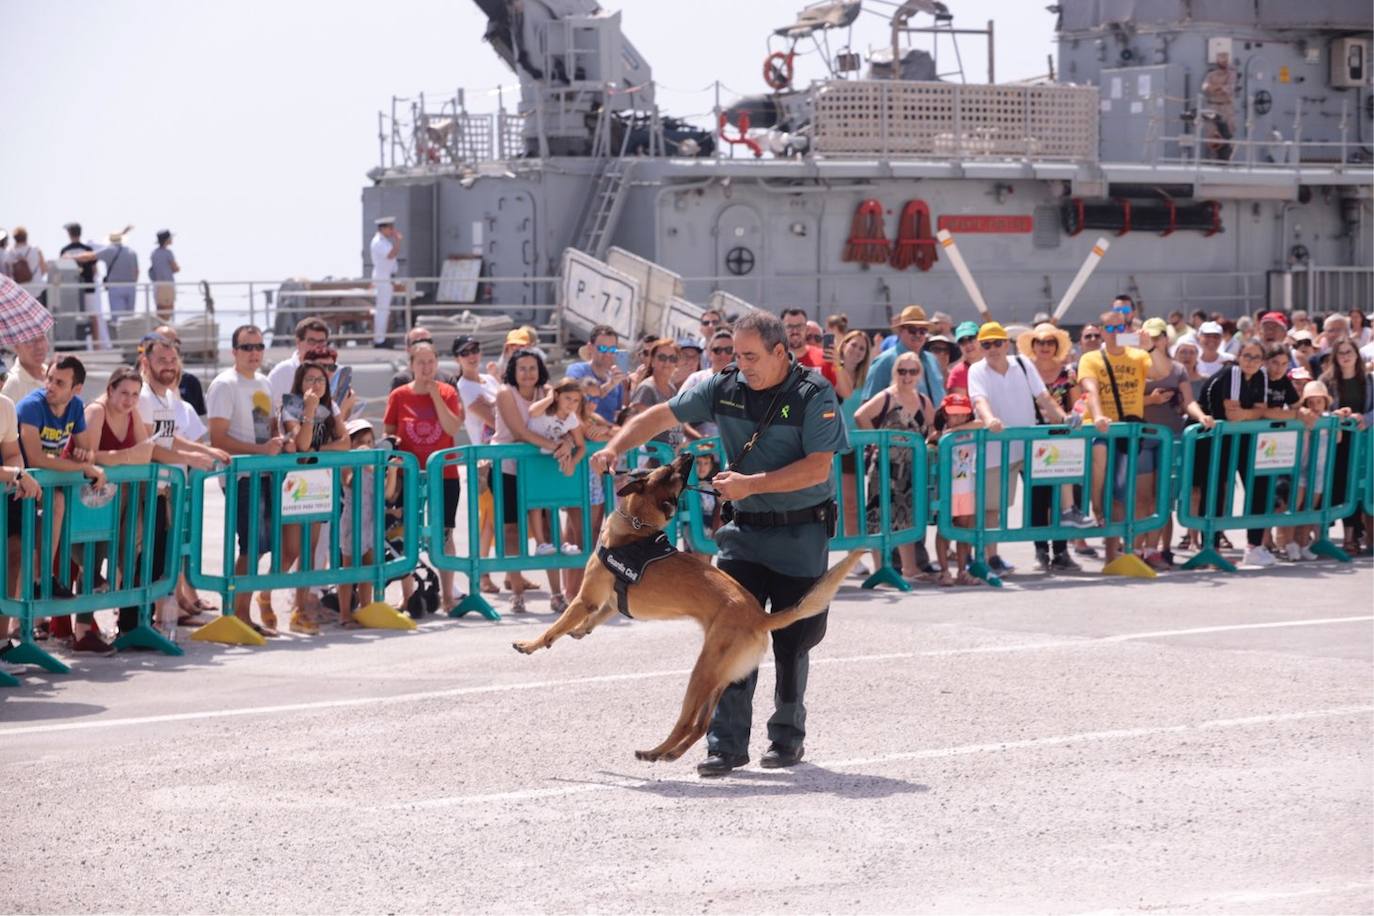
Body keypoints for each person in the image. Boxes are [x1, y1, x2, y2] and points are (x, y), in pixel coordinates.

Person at [591, 310, 847, 778]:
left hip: (800, 532)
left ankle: (787, 737)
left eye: (750, 356)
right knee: (728, 632)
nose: (741, 364)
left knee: (793, 639)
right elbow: (661, 414)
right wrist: (615, 446)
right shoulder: (725, 386)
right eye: (735, 354)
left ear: (779, 352)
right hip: (743, 534)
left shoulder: (813, 394)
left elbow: (817, 469)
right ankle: (725, 744)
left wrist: (752, 484)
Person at [16, 357, 108, 651]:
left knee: (56, 505)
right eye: (50, 379)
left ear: (76, 389)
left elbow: (84, 449)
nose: (50, 387)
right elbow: (35, 458)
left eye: (59, 382)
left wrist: (85, 460)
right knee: (16, 554)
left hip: (44, 487)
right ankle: (17, 629)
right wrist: (83, 467)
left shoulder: (75, 407)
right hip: (16, 485)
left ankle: (43, 581)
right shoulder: (31, 406)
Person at [969, 321, 1073, 576]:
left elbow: (1044, 397)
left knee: (1049, 496)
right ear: (981, 347)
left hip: (1029, 446)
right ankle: (990, 558)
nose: (992, 348)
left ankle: (1059, 551)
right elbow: (979, 400)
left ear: (1007, 343)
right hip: (996, 448)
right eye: (986, 344)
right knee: (991, 508)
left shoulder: (1024, 364)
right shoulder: (976, 370)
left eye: (997, 343)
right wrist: (990, 419)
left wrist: (1063, 418)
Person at [139, 334, 227, 621]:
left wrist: (203, 448)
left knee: (159, 558)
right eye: (161, 360)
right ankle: (133, 624)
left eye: (172, 360)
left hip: (163, 491)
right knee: (141, 559)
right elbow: (149, 447)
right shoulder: (140, 396)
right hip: (142, 491)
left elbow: (169, 438)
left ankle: (150, 621)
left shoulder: (165, 396)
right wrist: (192, 457)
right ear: (145, 361)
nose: (168, 366)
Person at [206, 325, 287, 635]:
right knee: (250, 546)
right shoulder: (224, 385)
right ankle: (238, 614)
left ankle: (243, 613)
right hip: (241, 477)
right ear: (234, 352)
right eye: (247, 347)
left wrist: (279, 440)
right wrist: (261, 450)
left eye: (259, 346)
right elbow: (218, 437)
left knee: (259, 546)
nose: (254, 352)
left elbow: (267, 429)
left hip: (264, 473)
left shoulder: (264, 384)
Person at [1194, 340, 1293, 567]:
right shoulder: (1233, 373)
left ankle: (1254, 547)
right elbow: (1233, 414)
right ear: (1239, 356)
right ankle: (1210, 548)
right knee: (1215, 491)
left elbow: (1257, 412)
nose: (1252, 362)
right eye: (1247, 356)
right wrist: (1254, 413)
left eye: (1257, 357)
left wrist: (1252, 413)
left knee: (1259, 487)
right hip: (1212, 439)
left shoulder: (1262, 375)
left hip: (1243, 438)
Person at [383, 341, 465, 612]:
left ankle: (448, 597)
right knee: (405, 532)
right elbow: (390, 433)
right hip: (409, 475)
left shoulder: (448, 391)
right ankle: (408, 596)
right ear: (411, 365)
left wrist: (436, 397)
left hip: (444, 473)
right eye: (421, 362)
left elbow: (452, 426)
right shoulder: (399, 395)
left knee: (444, 533)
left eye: (431, 362)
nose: (427, 368)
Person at [490, 349, 572, 613]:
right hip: (508, 470)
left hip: (540, 469)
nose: (527, 373)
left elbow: (565, 420)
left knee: (549, 531)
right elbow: (519, 431)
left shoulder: (548, 392)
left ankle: (557, 593)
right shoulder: (505, 393)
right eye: (522, 368)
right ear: (513, 371)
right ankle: (516, 592)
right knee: (512, 531)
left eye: (532, 368)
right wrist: (555, 445)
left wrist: (567, 441)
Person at [1077, 309, 1162, 565]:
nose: (1116, 333)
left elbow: (1159, 372)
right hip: (1099, 429)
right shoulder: (1091, 358)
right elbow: (1090, 389)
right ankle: (1095, 506)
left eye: (1120, 328)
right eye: (1110, 329)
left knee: (1121, 496)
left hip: (1127, 432)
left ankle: (1112, 556)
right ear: (1102, 332)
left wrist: (1151, 348)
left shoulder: (1137, 355)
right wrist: (1100, 416)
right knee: (1100, 455)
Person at [84, 367, 159, 642]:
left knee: (130, 551)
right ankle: (82, 629)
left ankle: (119, 618)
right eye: (124, 393)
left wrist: (117, 458)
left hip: (124, 496)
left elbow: (146, 454)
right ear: (110, 389)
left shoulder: (133, 413)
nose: (129, 400)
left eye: (135, 395)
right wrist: (126, 455)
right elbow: (90, 458)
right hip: (92, 499)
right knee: (90, 562)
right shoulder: (96, 411)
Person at [279, 358, 351, 634]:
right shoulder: (291, 406)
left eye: (320, 380)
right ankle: (262, 595)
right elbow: (301, 444)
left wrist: (319, 451)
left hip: (320, 484)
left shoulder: (330, 407)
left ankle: (300, 611)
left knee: (309, 551)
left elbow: (344, 443)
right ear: (300, 382)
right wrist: (308, 410)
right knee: (290, 552)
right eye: (309, 379)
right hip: (295, 484)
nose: (315, 385)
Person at [1015, 321, 1093, 570]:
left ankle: (1061, 551)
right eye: (1040, 342)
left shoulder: (1067, 373)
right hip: (1033, 441)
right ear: (1033, 346)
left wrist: (1074, 417)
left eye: (1050, 342)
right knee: (1038, 496)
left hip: (1061, 443)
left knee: (1060, 496)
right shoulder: (1024, 372)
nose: (1045, 346)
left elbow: (1077, 404)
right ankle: (1040, 550)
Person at [854, 351, 932, 583]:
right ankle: (880, 569)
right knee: (880, 517)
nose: (907, 376)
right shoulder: (887, 396)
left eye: (912, 371)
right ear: (895, 372)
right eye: (902, 371)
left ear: (919, 374)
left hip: (911, 470)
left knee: (906, 518)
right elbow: (861, 416)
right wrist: (880, 440)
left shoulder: (923, 401)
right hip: (884, 468)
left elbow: (933, 426)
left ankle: (909, 568)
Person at [1138, 318, 1210, 569]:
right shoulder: (1135, 364)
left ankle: (1158, 550)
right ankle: (1138, 550)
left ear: (1165, 338)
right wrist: (1151, 401)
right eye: (1148, 336)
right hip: (1143, 437)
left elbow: (1189, 400)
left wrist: (1201, 416)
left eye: (1157, 337)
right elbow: (1125, 400)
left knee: (1163, 498)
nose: (1153, 341)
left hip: (1172, 438)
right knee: (1142, 498)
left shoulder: (1178, 368)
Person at [525, 377, 588, 612]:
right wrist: (551, 396)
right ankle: (541, 543)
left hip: (553, 464)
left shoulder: (572, 418)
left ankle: (560, 543)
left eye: (576, 400)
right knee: (535, 505)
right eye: (568, 398)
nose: (571, 404)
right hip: (534, 461)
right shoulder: (545, 409)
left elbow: (582, 446)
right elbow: (532, 412)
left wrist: (572, 462)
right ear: (558, 395)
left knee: (555, 503)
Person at [452, 335, 502, 594]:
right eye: (465, 352)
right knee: (489, 519)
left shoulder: (490, 380)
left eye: (475, 349)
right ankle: (482, 574)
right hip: (484, 461)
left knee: (509, 517)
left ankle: (513, 573)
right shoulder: (464, 386)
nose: (472, 355)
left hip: (503, 456)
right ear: (457, 358)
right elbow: (494, 418)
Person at [1320, 338, 1373, 554]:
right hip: (1336, 442)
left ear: (1356, 355)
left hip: (1363, 443)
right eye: (1341, 352)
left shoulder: (1369, 381)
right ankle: (1336, 537)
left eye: (1349, 351)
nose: (1345, 356)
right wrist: (1333, 416)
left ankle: (1358, 537)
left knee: (1361, 488)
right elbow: (1315, 407)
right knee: (1338, 486)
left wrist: (1367, 418)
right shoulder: (1326, 380)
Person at [928, 392, 984, 586]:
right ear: (944, 414)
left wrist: (958, 429)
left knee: (964, 530)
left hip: (966, 488)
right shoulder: (938, 436)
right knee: (944, 530)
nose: (959, 417)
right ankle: (944, 571)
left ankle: (962, 571)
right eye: (954, 413)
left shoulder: (970, 430)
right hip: (945, 490)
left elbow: (983, 423)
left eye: (963, 413)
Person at [830, 329, 872, 541]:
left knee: (852, 503)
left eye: (862, 348)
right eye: (853, 345)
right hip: (830, 447)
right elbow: (843, 392)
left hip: (854, 448)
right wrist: (838, 365)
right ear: (843, 345)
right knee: (830, 503)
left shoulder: (866, 379)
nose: (857, 351)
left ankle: (853, 553)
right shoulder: (830, 371)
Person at [864, 306, 945, 407]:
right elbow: (868, 404)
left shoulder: (932, 360)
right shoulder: (884, 361)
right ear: (900, 331)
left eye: (922, 330)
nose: (918, 334)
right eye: (912, 330)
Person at [59, 222, 111, 350]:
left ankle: (74, 346)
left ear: (69, 234)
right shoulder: (88, 249)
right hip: (89, 287)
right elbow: (94, 270)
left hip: (71, 291)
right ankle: (97, 347)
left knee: (72, 318)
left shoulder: (65, 251)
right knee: (93, 317)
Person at [628, 338, 684, 453]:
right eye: (662, 357)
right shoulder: (647, 388)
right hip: (650, 458)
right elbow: (637, 423)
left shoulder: (672, 388)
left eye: (672, 358)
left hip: (668, 458)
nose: (667, 363)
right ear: (652, 361)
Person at [567, 324, 629, 424]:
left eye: (612, 349)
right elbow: (574, 404)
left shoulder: (617, 380)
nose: (608, 354)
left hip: (607, 436)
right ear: (590, 347)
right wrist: (611, 384)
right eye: (603, 348)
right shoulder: (576, 370)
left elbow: (617, 412)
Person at [268, 317, 331, 411]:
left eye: (321, 342)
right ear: (298, 342)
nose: (317, 347)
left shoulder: (334, 370)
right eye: (311, 342)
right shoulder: (281, 372)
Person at [150, 325, 207, 417]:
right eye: (163, 342)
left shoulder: (191, 382)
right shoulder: (136, 385)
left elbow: (199, 423)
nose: (170, 347)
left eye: (175, 342)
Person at [780, 308, 837, 385]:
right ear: (782, 329)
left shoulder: (823, 356)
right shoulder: (775, 359)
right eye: (789, 326)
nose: (795, 331)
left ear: (806, 328)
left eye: (799, 326)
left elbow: (845, 393)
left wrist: (838, 364)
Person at [389, 326, 456, 389]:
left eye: (428, 341)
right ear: (408, 349)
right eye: (417, 342)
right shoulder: (401, 380)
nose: (424, 345)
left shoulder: (447, 379)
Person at [370, 217, 401, 348]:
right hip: (382, 278)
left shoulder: (384, 241)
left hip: (386, 278)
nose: (392, 230)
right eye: (390, 228)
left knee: (384, 310)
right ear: (383, 228)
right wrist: (398, 241)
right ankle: (379, 340)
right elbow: (391, 255)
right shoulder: (378, 242)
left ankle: (381, 338)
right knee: (381, 310)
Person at [1200, 51, 1236, 160]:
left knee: (1228, 132)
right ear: (1217, 61)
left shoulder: (1231, 75)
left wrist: (1215, 87)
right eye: (1222, 60)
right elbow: (1205, 88)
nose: (1224, 62)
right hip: (1213, 106)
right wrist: (1219, 87)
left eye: (1225, 60)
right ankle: (1212, 159)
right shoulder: (1210, 75)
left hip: (1226, 107)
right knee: (1211, 133)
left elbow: (1229, 89)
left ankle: (1227, 159)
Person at [97, 228, 139, 316]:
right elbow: (137, 271)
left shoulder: (108, 251)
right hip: (131, 286)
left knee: (118, 317)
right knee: (130, 317)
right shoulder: (132, 252)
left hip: (115, 287)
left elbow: (93, 255)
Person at [1, 334, 49, 405]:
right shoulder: (12, 384)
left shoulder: (52, 374)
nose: (39, 346)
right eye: (30, 341)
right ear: (16, 346)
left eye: (42, 338)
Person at [2, 227, 45, 293]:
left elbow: (7, 272)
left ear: (15, 238)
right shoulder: (35, 250)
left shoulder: (9, 252)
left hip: (19, 292)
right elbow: (44, 269)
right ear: (26, 237)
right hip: (37, 289)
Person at [944, 321, 981, 396]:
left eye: (971, 338)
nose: (967, 345)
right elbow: (958, 406)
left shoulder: (993, 365)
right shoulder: (959, 372)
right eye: (962, 341)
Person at [149, 229, 179, 321]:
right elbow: (175, 268)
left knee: (160, 309)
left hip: (157, 285)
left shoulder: (154, 253)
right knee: (169, 309)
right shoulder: (168, 253)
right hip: (167, 284)